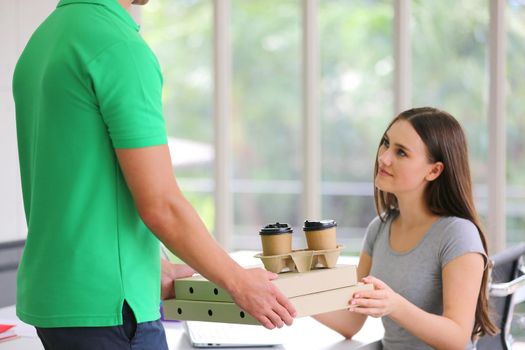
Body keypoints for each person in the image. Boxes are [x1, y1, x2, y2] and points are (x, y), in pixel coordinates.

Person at [12, 0, 296, 349]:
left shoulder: (45, 40)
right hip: (112, 310)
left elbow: (82, 183)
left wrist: (151, 264)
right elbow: (161, 204)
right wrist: (238, 281)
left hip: (56, 301)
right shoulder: (119, 48)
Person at [314, 107, 498, 349]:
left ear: (434, 170)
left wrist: (395, 305)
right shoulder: (379, 228)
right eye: (386, 143)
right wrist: (289, 297)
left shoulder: (457, 234)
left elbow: (457, 337)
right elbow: (351, 320)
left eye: (401, 152)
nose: (384, 158)